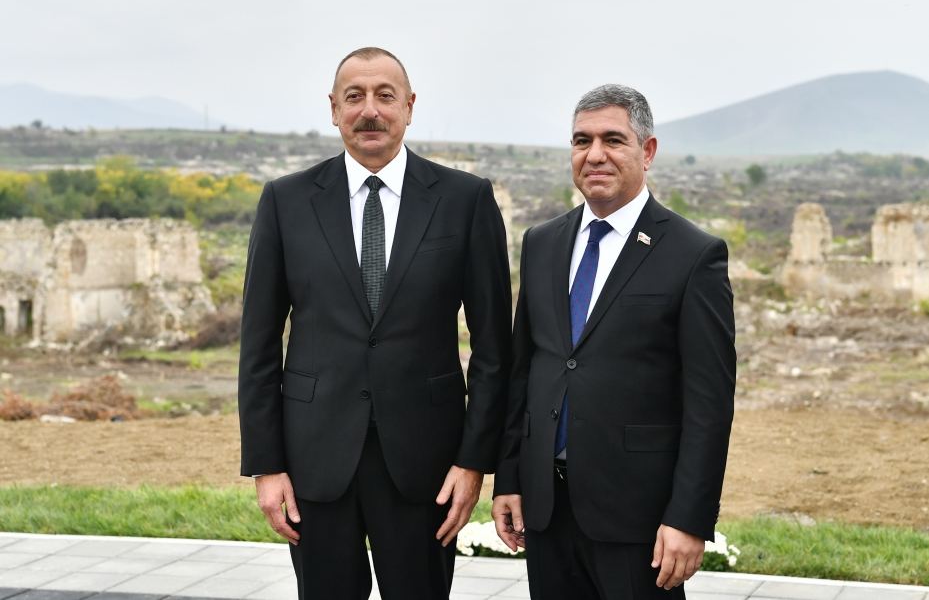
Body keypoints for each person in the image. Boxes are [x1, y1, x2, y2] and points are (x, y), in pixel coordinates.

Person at [238, 47, 512, 600]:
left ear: (409, 107)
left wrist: (473, 461)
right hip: (315, 459)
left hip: (427, 464)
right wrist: (266, 466)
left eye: (385, 96)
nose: (370, 110)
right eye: (355, 97)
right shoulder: (286, 202)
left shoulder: (465, 200)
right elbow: (259, 345)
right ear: (333, 109)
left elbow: (494, 351)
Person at [492, 84, 736, 599]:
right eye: (582, 141)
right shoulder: (542, 243)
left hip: (638, 521)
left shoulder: (694, 255)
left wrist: (689, 519)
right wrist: (509, 478)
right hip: (547, 511)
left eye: (613, 140)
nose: (595, 155)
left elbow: (709, 404)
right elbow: (525, 371)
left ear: (647, 152)